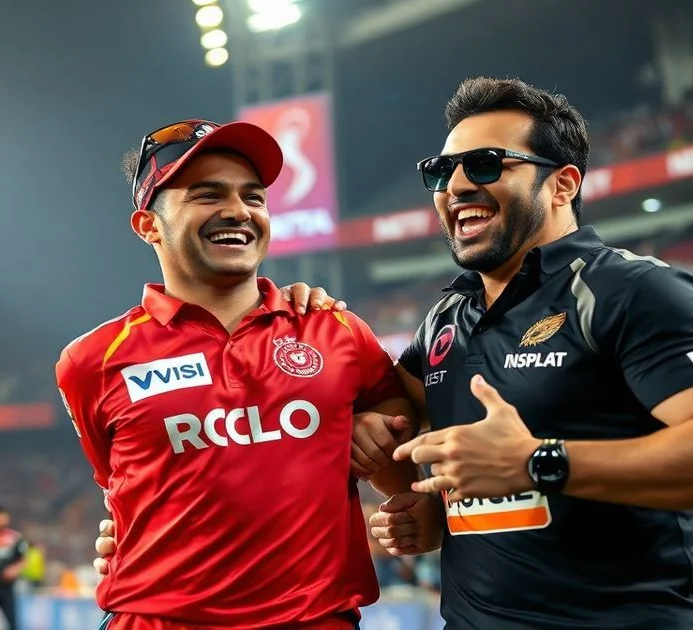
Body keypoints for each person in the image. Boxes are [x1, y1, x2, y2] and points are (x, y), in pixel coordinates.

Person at [94, 79, 693, 628]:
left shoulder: (632, 290)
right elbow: (372, 428)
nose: (458, 185)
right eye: (443, 170)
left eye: (487, 164)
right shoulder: (446, 321)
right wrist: (154, 525)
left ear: (562, 184)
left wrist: (538, 461)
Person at [55, 119, 420, 630]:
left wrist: (374, 438)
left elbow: (402, 459)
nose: (238, 211)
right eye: (207, 195)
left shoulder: (336, 329)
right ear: (149, 226)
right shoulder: (90, 361)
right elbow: (122, 490)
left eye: (254, 197)